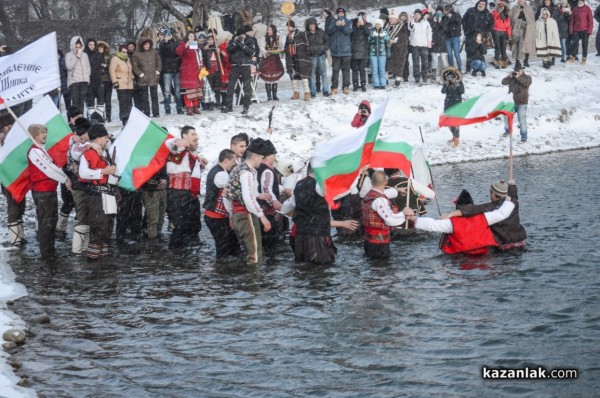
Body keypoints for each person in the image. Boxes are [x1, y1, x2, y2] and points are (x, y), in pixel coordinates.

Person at [285, 163, 358, 265]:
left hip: (300, 237)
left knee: (303, 269)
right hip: (317, 238)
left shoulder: (299, 184)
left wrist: (280, 212)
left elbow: (287, 206)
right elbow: (344, 191)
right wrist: (342, 223)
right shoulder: (320, 186)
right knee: (321, 270)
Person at [409, 189, 517, 255]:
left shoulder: (451, 223)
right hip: (485, 255)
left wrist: (412, 218)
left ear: (457, 208)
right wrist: (510, 199)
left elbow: (431, 225)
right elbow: (502, 213)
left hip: (461, 257)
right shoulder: (485, 217)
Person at [444, 180, 527, 250]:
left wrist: (451, 214)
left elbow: (472, 209)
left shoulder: (489, 207)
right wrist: (512, 185)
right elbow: (513, 194)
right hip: (520, 242)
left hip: (503, 246)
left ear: (493, 195)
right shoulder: (513, 202)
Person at [27, 124, 70, 257]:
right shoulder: (34, 151)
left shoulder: (40, 150)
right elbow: (49, 169)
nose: (45, 135)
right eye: (42, 133)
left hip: (49, 191)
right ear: (35, 136)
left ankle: (49, 250)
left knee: (51, 220)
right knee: (46, 222)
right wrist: (65, 179)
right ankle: (47, 254)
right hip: (42, 192)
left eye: (45, 132)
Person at [227, 138, 273, 265]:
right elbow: (247, 198)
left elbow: (230, 193)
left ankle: (247, 281)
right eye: (262, 158)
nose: (263, 161)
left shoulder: (238, 168)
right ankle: (254, 283)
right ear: (255, 157)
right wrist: (262, 217)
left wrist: (258, 195)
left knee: (248, 252)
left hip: (238, 215)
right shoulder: (246, 172)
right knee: (255, 255)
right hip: (245, 215)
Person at [78, 124, 118, 261]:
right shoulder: (88, 153)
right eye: (105, 137)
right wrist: (103, 172)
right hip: (97, 195)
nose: (107, 140)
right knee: (98, 229)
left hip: (108, 194)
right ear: (98, 139)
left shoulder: (104, 152)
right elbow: (82, 173)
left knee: (106, 229)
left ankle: (103, 260)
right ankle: (93, 262)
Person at [361, 170, 413, 259]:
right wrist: (404, 213)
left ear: (372, 181)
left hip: (369, 240)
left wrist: (397, 190)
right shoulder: (380, 200)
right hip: (379, 243)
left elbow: (385, 193)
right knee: (383, 268)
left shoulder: (369, 194)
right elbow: (390, 220)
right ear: (386, 182)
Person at [165, 126, 202, 248]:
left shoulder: (188, 153)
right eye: (193, 134)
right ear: (184, 136)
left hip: (187, 191)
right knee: (180, 224)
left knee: (188, 222)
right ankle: (176, 251)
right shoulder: (177, 147)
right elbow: (171, 145)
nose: (196, 137)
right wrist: (178, 141)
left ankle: (185, 247)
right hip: (177, 192)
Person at [204, 149, 242, 258]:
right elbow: (229, 193)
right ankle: (221, 270)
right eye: (233, 161)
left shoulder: (216, 170)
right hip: (216, 216)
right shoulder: (221, 174)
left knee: (227, 245)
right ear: (226, 160)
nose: (234, 164)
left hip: (213, 215)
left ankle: (223, 270)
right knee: (223, 248)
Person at [66, 117, 92, 254]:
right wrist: (91, 145)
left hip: (81, 186)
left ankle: (83, 248)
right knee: (82, 217)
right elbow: (77, 154)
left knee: (85, 218)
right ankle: (77, 251)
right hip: (79, 186)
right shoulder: (76, 145)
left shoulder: (76, 142)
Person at [0, 114, 26, 247]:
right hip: (8, 178)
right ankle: (15, 238)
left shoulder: (13, 138)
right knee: (13, 207)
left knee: (21, 205)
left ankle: (20, 234)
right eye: (9, 126)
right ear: (4, 127)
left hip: (18, 177)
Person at [223, 26, 257, 114]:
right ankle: (228, 106)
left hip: (245, 66)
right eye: (239, 35)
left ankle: (246, 106)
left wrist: (242, 45)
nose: (241, 37)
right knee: (230, 86)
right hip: (235, 66)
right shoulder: (233, 41)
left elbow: (252, 52)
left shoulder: (249, 40)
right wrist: (235, 43)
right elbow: (228, 50)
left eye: (242, 35)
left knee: (247, 87)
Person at [177, 31, 208, 115]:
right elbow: (178, 52)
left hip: (197, 71)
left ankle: (195, 107)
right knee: (189, 91)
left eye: (193, 36)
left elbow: (200, 58)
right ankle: (188, 108)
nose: (191, 38)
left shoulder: (197, 46)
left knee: (196, 90)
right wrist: (185, 45)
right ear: (187, 37)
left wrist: (203, 68)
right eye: (190, 36)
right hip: (188, 71)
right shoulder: (183, 44)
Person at [502, 63, 532, 142]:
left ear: (522, 70)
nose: (517, 72)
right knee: (506, 116)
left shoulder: (527, 78)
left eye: (519, 70)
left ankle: (524, 136)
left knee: (521, 120)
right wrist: (510, 76)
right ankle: (507, 131)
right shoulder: (513, 77)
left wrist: (518, 77)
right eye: (516, 70)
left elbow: (526, 83)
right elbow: (503, 82)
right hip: (512, 102)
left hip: (522, 102)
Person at [132, 38, 162, 117]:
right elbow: (135, 66)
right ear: (141, 45)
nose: (147, 46)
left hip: (153, 77)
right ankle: (146, 113)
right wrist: (140, 74)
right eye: (145, 44)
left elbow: (159, 61)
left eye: (148, 44)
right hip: (143, 79)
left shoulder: (153, 51)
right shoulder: (136, 54)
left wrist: (158, 71)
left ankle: (156, 113)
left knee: (154, 97)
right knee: (144, 98)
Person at [462, 0, 494, 73]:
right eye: (480, 3)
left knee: (480, 52)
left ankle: (480, 68)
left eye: (483, 4)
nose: (481, 5)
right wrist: (466, 31)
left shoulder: (487, 14)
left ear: (485, 5)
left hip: (481, 36)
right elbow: (463, 20)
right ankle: (468, 68)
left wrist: (483, 33)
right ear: (477, 3)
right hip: (470, 34)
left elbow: (491, 26)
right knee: (469, 52)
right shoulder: (470, 11)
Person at [326, 7, 353, 94]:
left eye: (342, 12)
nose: (340, 14)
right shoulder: (333, 21)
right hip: (336, 51)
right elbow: (329, 31)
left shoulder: (349, 22)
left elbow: (349, 32)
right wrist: (336, 25)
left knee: (346, 70)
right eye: (339, 12)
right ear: (337, 14)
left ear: (344, 13)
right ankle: (334, 87)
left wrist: (343, 25)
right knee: (335, 70)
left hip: (346, 51)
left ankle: (346, 86)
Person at [284, 20, 312, 101]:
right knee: (293, 76)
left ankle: (307, 93)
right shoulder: (288, 36)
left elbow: (305, 45)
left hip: (301, 57)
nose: (288, 28)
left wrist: (294, 44)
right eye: (287, 26)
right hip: (291, 58)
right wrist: (288, 47)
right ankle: (296, 93)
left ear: (293, 26)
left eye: (289, 26)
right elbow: (286, 48)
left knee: (304, 75)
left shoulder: (301, 33)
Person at [158, 29, 183, 115]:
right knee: (167, 90)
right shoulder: (161, 44)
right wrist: (165, 42)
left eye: (170, 34)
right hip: (167, 70)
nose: (168, 36)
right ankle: (167, 108)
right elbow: (162, 52)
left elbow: (179, 54)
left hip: (176, 69)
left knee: (177, 90)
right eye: (166, 35)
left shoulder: (177, 43)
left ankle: (179, 107)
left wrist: (177, 60)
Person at [305, 17, 330, 98]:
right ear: (308, 26)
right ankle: (312, 92)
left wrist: (324, 47)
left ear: (315, 25)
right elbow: (303, 46)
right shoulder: (306, 34)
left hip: (322, 56)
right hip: (312, 57)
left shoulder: (321, 32)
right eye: (310, 25)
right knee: (312, 76)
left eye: (313, 24)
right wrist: (309, 50)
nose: (312, 26)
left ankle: (325, 90)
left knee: (324, 74)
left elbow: (328, 41)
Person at [109, 44, 135, 125]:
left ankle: (130, 117)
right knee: (123, 101)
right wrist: (115, 82)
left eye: (126, 52)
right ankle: (124, 117)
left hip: (129, 83)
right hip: (120, 83)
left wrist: (133, 79)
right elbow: (111, 70)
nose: (125, 53)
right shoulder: (115, 59)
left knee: (129, 101)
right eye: (123, 52)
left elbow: (130, 71)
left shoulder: (127, 59)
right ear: (120, 51)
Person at [65, 36, 91, 112]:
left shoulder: (85, 55)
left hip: (84, 81)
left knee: (82, 102)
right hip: (74, 82)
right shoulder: (68, 55)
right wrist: (76, 57)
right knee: (75, 102)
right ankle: (75, 119)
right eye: (76, 47)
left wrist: (87, 76)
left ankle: (81, 118)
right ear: (73, 46)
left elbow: (88, 66)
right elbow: (69, 67)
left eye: (79, 47)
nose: (78, 49)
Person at [441, 67, 464, 147]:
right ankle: (454, 136)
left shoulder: (459, 82)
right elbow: (443, 91)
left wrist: (456, 83)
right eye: (449, 76)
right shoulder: (446, 82)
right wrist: (446, 83)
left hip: (457, 104)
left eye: (452, 76)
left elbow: (462, 91)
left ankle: (456, 139)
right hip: (448, 104)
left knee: (456, 123)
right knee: (449, 122)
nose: (450, 78)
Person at [260, 24, 285, 101]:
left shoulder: (278, 38)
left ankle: (274, 95)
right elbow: (261, 47)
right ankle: (269, 96)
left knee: (275, 77)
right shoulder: (264, 38)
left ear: (274, 30)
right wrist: (265, 51)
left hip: (275, 59)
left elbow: (281, 47)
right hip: (267, 59)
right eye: (268, 30)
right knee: (267, 77)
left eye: (270, 30)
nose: (269, 31)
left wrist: (281, 52)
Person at [510, 0, 537, 68]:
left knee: (527, 45)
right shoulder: (514, 8)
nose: (521, 0)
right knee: (518, 45)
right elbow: (511, 19)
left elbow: (532, 20)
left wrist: (528, 25)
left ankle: (526, 60)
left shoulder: (529, 8)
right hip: (518, 30)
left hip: (528, 30)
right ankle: (517, 62)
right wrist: (519, 22)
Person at [409, 9, 433, 84]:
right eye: (415, 14)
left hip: (424, 45)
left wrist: (429, 42)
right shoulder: (412, 22)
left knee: (425, 62)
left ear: (421, 15)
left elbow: (429, 32)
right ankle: (417, 77)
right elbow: (410, 28)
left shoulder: (426, 22)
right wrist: (411, 20)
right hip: (415, 44)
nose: (417, 16)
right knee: (415, 62)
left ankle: (424, 76)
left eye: (418, 14)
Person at [387, 11, 410, 87]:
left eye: (391, 18)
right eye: (389, 18)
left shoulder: (401, 26)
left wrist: (395, 41)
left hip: (400, 49)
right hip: (390, 49)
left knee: (399, 65)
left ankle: (398, 80)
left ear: (396, 19)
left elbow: (403, 39)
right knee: (388, 65)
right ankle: (386, 79)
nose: (390, 20)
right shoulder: (388, 26)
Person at [84, 39, 105, 118]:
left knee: (101, 99)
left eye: (93, 44)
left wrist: (102, 70)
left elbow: (103, 65)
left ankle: (100, 118)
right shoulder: (84, 54)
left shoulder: (98, 54)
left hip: (98, 80)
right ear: (87, 45)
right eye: (90, 44)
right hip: (88, 80)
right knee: (90, 100)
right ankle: (91, 118)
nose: (92, 46)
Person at [351, 14, 371, 92]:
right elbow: (352, 34)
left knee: (362, 70)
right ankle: (355, 85)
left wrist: (363, 25)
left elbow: (368, 33)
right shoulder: (353, 29)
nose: (359, 23)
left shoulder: (364, 28)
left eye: (360, 21)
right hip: (354, 53)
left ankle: (363, 84)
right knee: (355, 70)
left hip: (363, 53)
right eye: (358, 22)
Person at [369, 19, 390, 90]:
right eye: (376, 24)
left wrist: (383, 36)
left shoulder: (384, 32)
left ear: (381, 25)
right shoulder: (371, 31)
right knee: (374, 69)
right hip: (373, 53)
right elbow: (368, 40)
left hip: (382, 53)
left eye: (379, 24)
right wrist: (372, 36)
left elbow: (388, 39)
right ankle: (376, 84)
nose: (377, 25)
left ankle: (383, 83)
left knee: (382, 69)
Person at [429, 6, 448, 81]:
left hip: (442, 41)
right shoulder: (432, 18)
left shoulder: (445, 18)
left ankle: (444, 74)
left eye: (440, 11)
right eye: (438, 11)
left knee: (443, 59)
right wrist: (434, 22)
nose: (439, 12)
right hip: (434, 41)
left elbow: (444, 29)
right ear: (436, 11)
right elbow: (431, 29)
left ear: (442, 12)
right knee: (434, 59)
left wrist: (440, 22)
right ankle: (433, 75)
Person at [442, 5, 463, 72]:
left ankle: (459, 69)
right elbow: (443, 26)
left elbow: (459, 23)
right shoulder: (444, 17)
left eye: (446, 10)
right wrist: (447, 18)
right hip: (447, 37)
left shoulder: (457, 15)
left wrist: (451, 17)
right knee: (449, 54)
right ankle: (452, 69)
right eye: (445, 10)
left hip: (455, 37)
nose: (446, 11)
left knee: (456, 54)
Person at [491, 1, 512, 68]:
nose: (502, 7)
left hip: (504, 32)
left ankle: (504, 60)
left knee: (503, 47)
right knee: (497, 47)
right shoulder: (494, 13)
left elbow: (508, 26)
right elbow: (494, 18)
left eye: (503, 6)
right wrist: (499, 12)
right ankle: (497, 60)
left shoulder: (507, 15)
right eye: (500, 5)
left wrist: (509, 35)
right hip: (496, 31)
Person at [96, 41, 113, 121]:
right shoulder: (95, 56)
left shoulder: (109, 56)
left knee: (108, 100)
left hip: (108, 80)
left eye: (102, 48)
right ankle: (101, 116)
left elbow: (112, 66)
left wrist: (106, 66)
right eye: (99, 48)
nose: (100, 49)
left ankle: (108, 116)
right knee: (100, 100)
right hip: (99, 80)